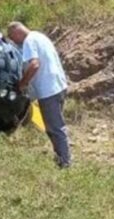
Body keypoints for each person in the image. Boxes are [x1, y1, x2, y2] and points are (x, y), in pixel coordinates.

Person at [7, 22, 72, 169]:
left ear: (17, 32)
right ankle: (61, 158)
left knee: (55, 128)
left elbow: (35, 64)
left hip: (48, 90)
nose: (15, 42)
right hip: (59, 86)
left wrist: (22, 83)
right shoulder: (40, 36)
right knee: (55, 126)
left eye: (13, 38)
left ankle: (64, 163)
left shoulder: (29, 41)